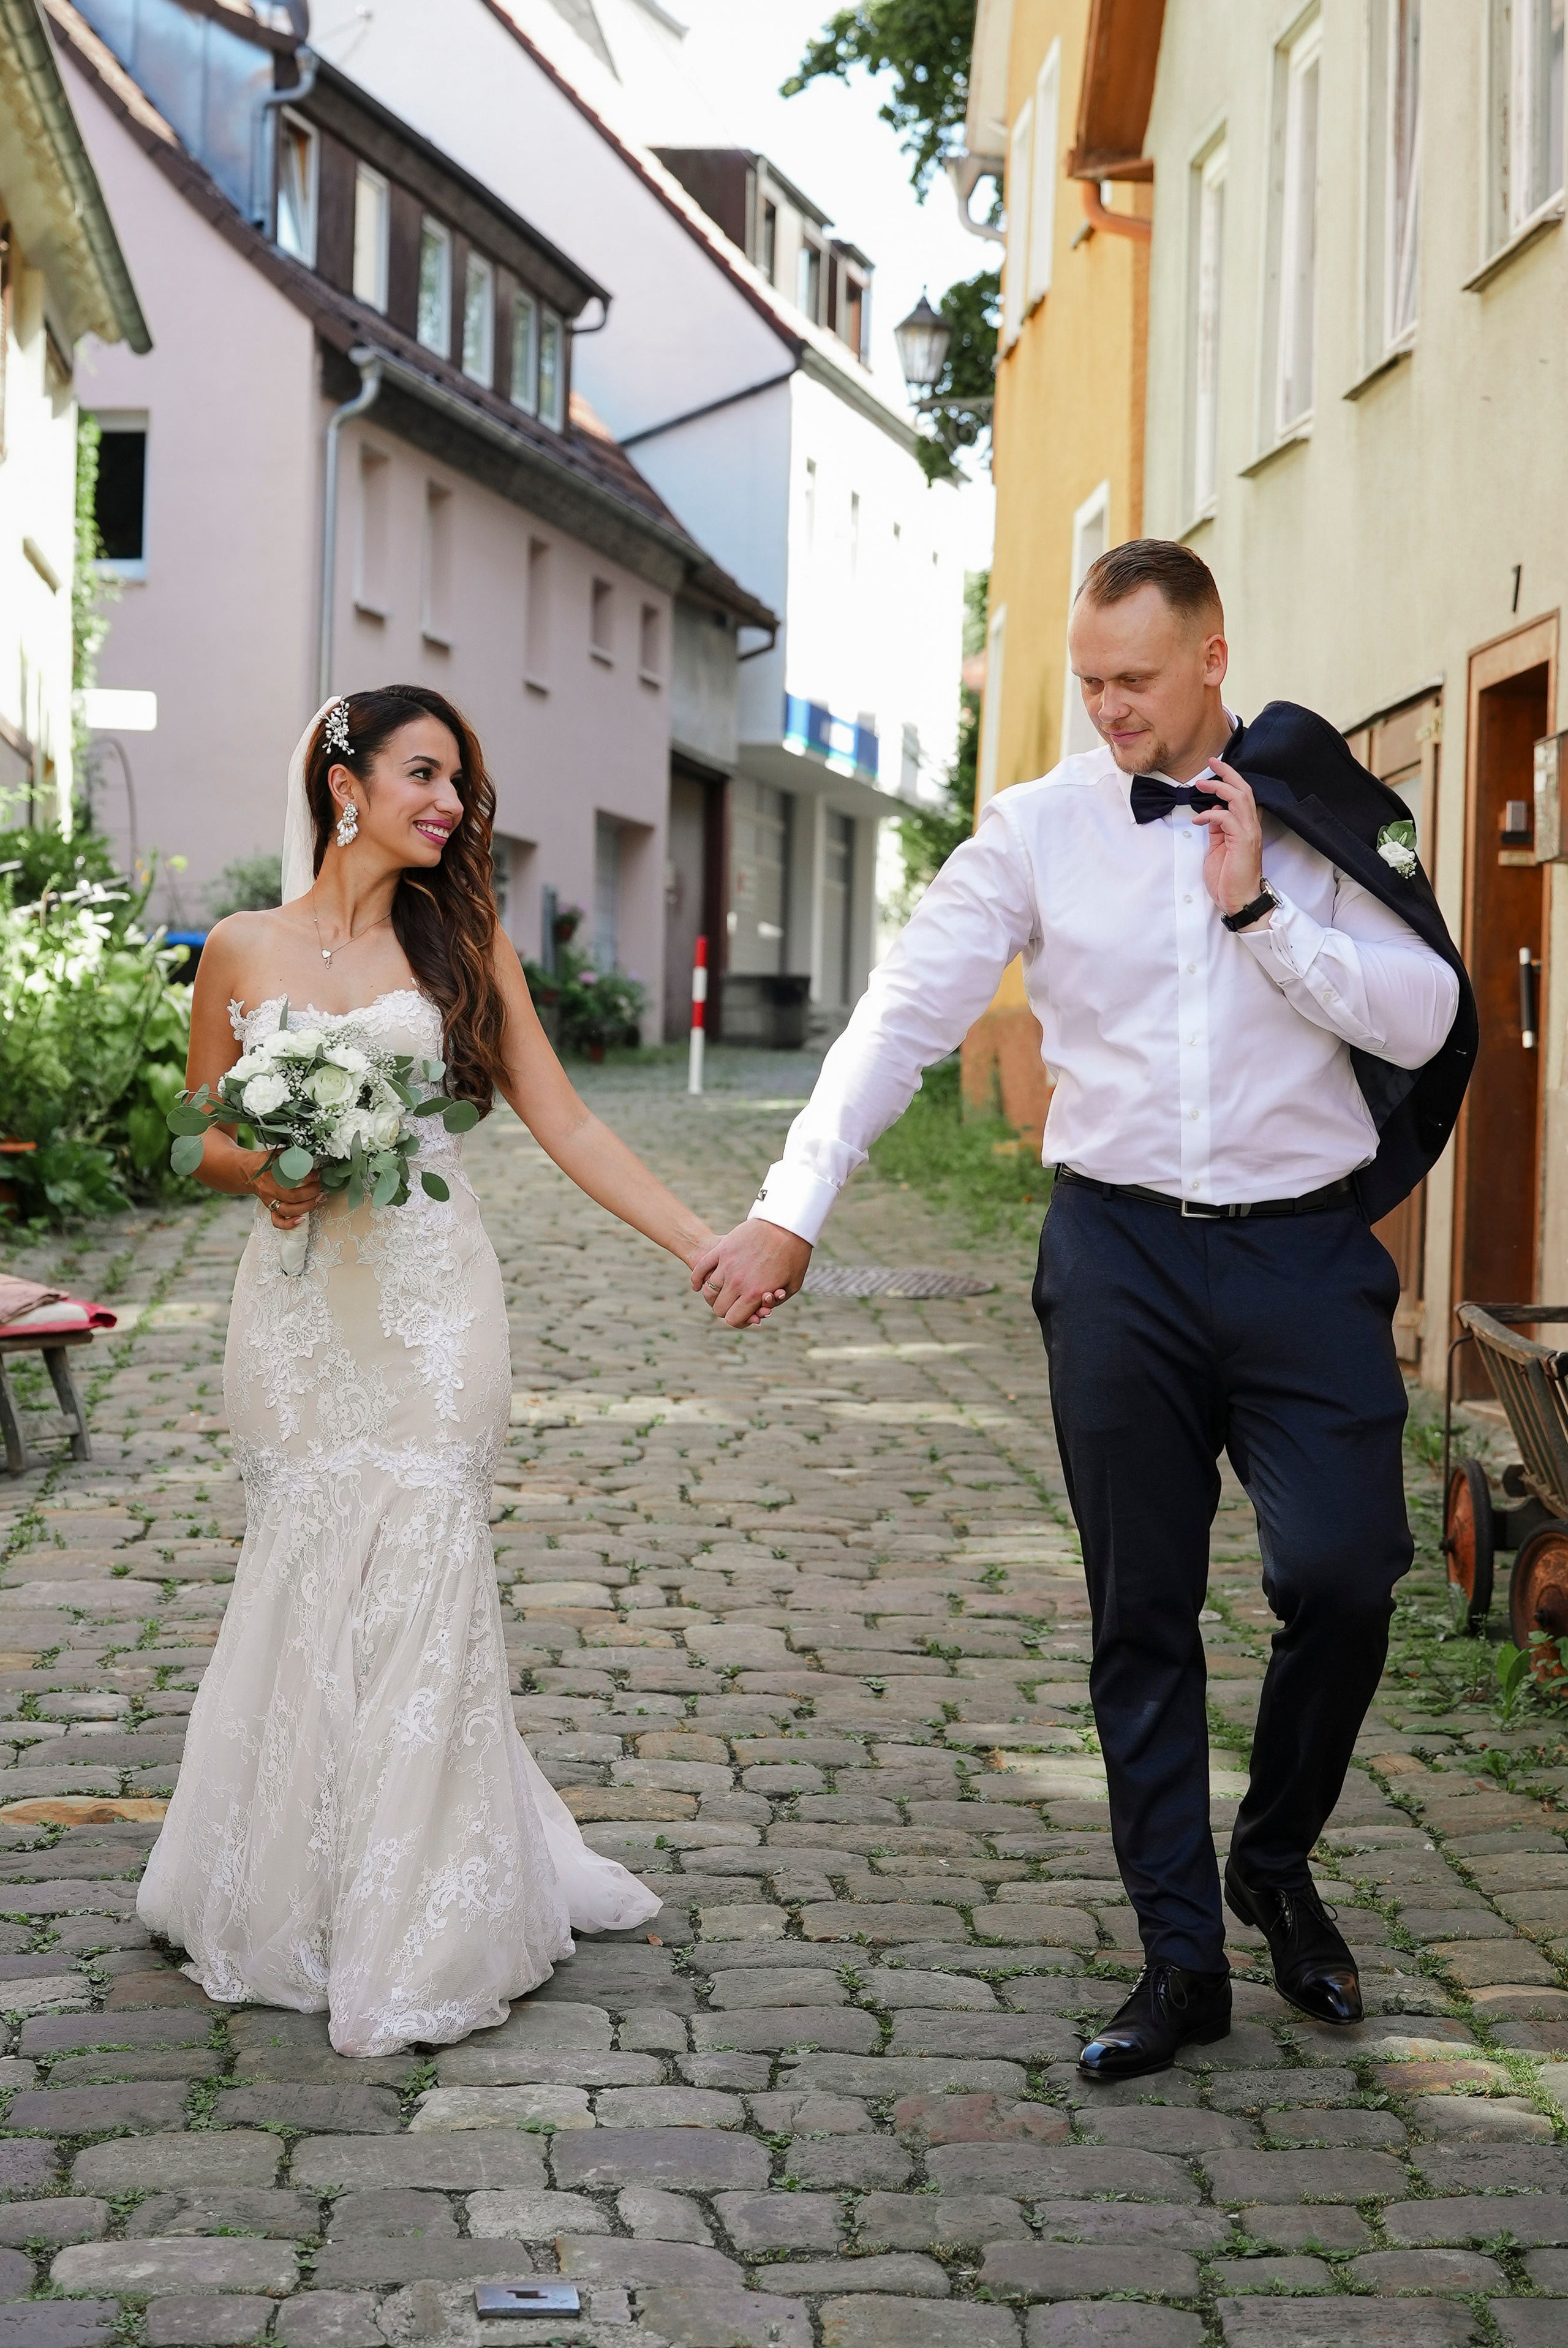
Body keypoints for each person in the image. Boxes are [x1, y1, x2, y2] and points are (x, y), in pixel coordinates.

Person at [690, 542, 1475, 2078]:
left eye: (1133, 679)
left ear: (1209, 658)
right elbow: (898, 1017)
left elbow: (1426, 1009)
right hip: (1114, 1256)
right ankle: (1179, 1957)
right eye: (1088, 681)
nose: (1107, 709)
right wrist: (792, 1207)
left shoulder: (1313, 805)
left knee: (1345, 1573)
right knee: (1139, 1610)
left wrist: (1261, 917)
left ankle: (1272, 1858)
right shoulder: (1037, 829)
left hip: (1301, 1255)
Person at [138, 685, 721, 2057]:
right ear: (344, 784)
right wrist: (273, 1167)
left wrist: (702, 1242)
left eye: (457, 782)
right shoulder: (239, 947)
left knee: (424, 1562)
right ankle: (295, 1883)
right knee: (303, 1563)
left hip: (429, 1303)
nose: (449, 802)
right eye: (422, 774)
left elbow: (564, 1119)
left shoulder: (462, 945)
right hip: (295, 1316)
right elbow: (201, 1136)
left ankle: (422, 1923)